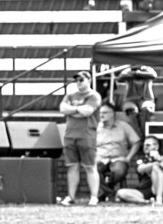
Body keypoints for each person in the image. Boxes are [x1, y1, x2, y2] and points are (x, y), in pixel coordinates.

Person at [57, 71, 102, 207]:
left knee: (90, 166)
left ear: (89, 80)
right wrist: (78, 110)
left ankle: (94, 197)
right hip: (70, 135)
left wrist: (72, 110)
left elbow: (87, 111)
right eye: (77, 80)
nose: (78, 82)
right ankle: (71, 196)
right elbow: (62, 108)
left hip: (87, 135)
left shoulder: (94, 96)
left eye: (81, 79)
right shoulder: (70, 95)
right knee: (72, 166)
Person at [95, 101, 141, 201]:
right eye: (100, 113)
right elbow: (89, 145)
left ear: (112, 114)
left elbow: (136, 142)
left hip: (119, 159)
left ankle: (104, 192)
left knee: (119, 172)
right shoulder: (96, 128)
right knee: (93, 170)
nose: (101, 115)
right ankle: (111, 194)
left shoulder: (123, 126)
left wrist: (128, 158)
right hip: (100, 158)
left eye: (105, 113)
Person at [116, 135, 163, 205]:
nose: (145, 147)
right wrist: (154, 164)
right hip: (146, 190)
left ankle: (159, 199)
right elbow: (141, 169)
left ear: (156, 147)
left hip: (162, 189)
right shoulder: (140, 159)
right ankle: (145, 202)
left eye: (148, 145)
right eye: (144, 145)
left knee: (156, 168)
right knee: (121, 192)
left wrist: (158, 159)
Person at [119, 65, 157, 135]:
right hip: (130, 100)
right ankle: (140, 137)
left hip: (146, 99)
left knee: (146, 109)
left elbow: (153, 75)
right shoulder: (128, 70)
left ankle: (144, 136)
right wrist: (137, 73)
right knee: (132, 110)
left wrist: (137, 73)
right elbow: (121, 76)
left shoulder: (148, 69)